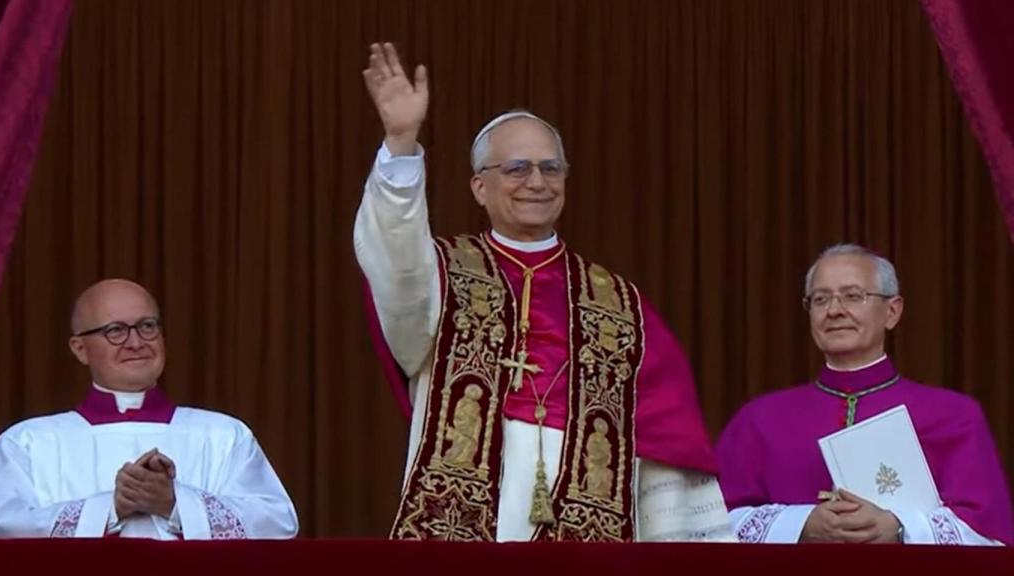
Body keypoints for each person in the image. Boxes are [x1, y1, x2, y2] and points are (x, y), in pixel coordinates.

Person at [354, 42, 732, 542]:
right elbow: (395, 264)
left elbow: (668, 436)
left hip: (588, 518)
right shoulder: (441, 272)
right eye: (516, 169)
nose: (537, 182)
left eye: (551, 168)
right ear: (479, 187)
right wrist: (400, 144)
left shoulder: (619, 303)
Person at [716, 244, 1013, 545]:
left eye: (852, 296)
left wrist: (898, 527)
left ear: (892, 311)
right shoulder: (760, 419)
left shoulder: (954, 415)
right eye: (820, 299)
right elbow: (706, 526)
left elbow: (988, 533)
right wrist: (800, 523)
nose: (834, 310)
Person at [0, 279, 298, 539]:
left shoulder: (224, 435)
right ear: (80, 349)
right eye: (115, 330)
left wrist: (176, 504)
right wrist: (110, 507)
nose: (135, 342)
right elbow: (2, 525)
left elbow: (277, 524)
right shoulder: (27, 443)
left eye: (147, 326)